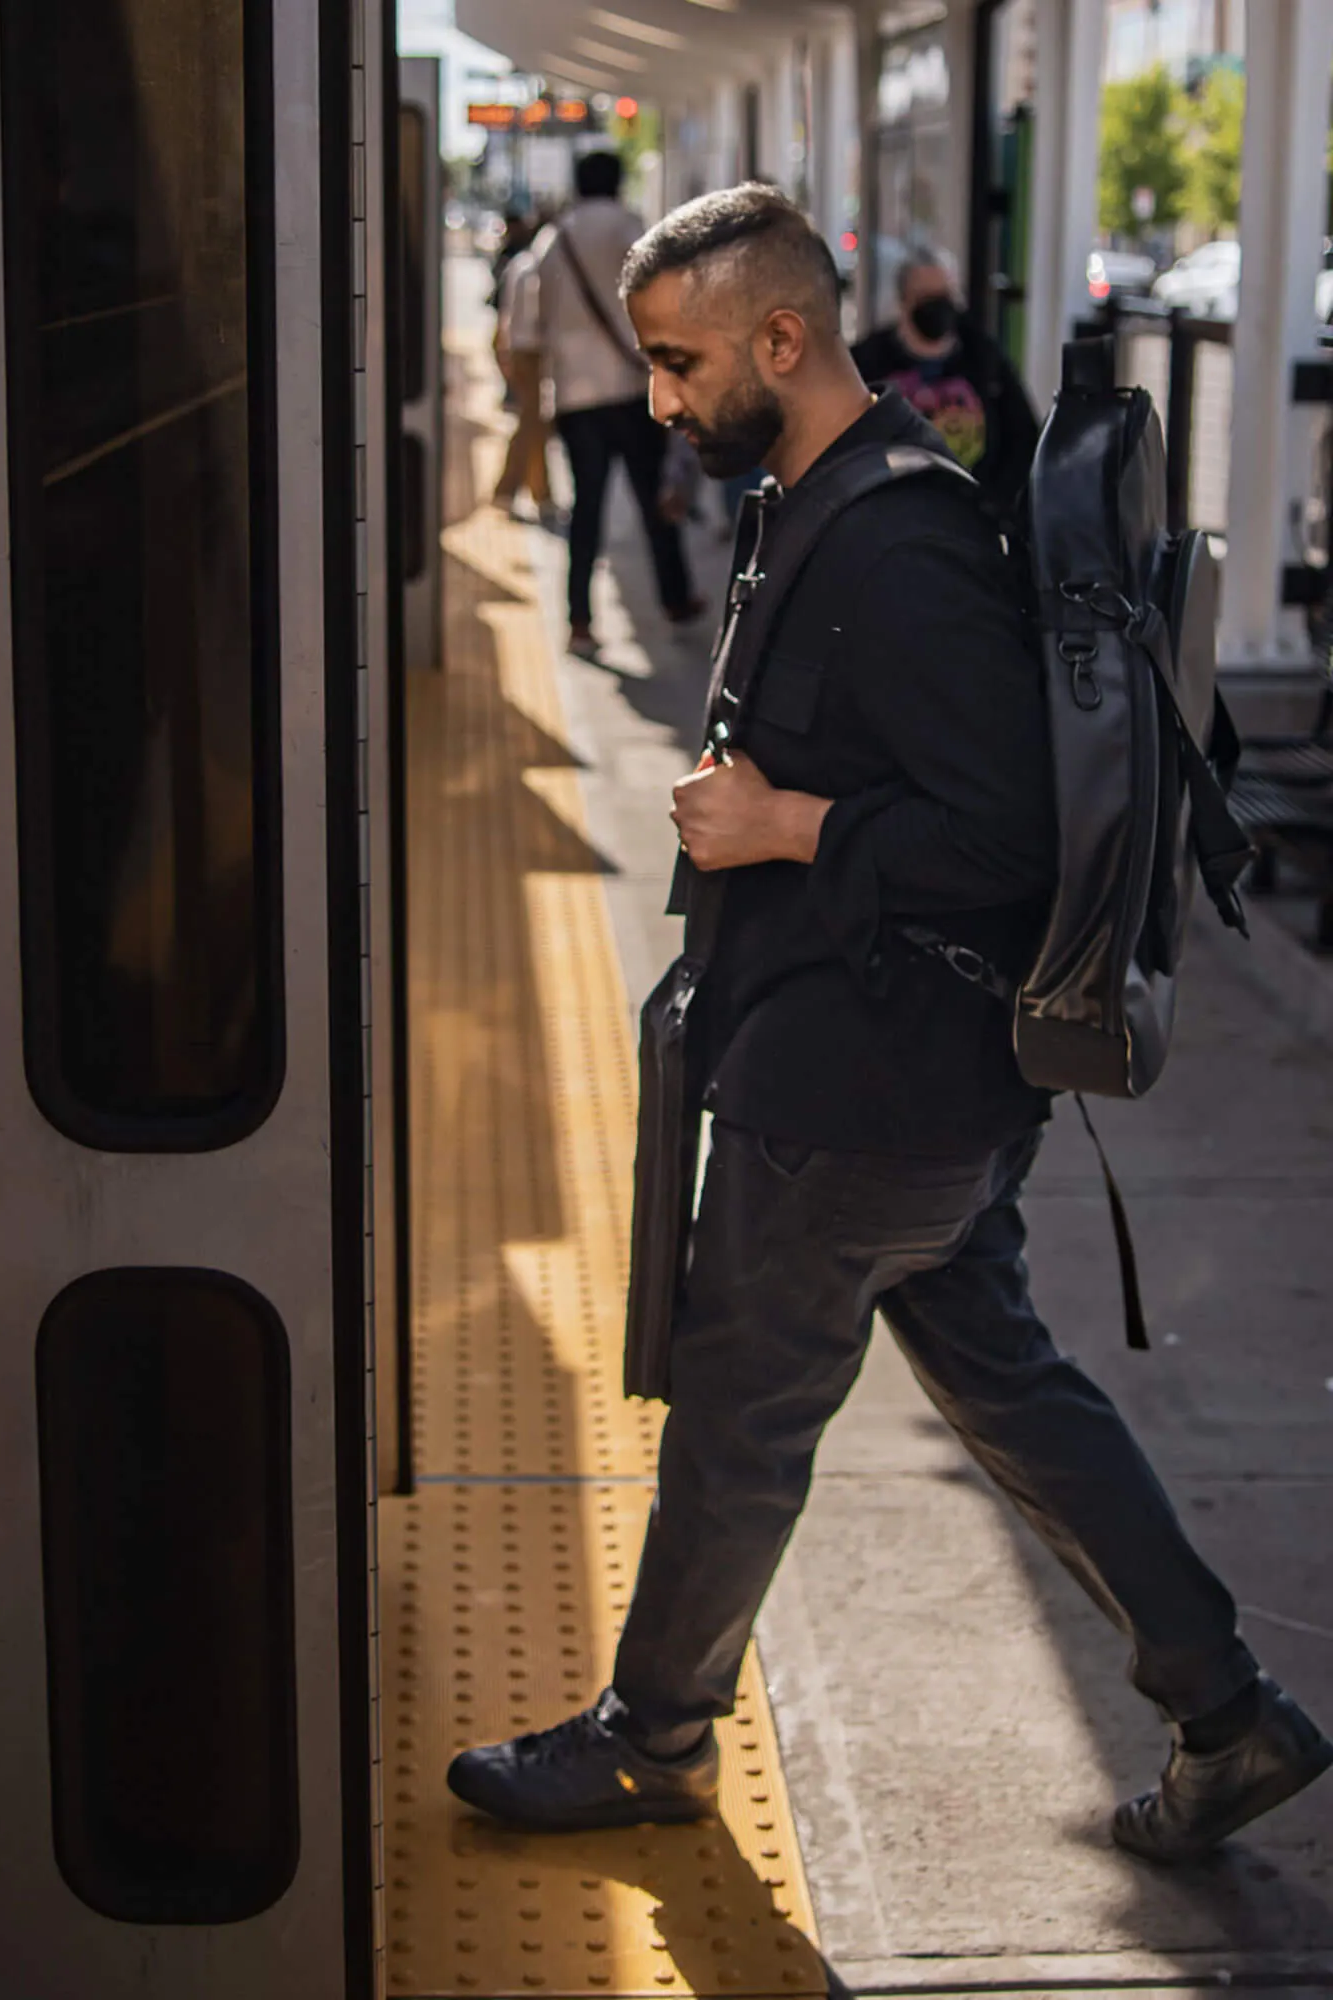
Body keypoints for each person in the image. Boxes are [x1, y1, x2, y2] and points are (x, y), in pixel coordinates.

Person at [448, 184, 1330, 1865]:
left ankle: (655, 1736)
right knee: (1012, 1388)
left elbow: (999, 836)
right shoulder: (823, 499)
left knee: (742, 1409)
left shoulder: (900, 545)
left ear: (783, 338)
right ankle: (1228, 1710)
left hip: (860, 1089)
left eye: (680, 362)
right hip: (921, 1085)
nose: (656, 400)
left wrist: (790, 830)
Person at [515, 151, 704, 654]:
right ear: (619, 182)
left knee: (588, 508)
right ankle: (676, 597)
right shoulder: (634, 229)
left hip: (575, 397)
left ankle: (580, 621)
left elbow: (531, 324)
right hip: (632, 390)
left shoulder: (552, 240)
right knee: (652, 501)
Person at [851, 249, 1040, 521]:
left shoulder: (985, 358)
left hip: (974, 519)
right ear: (904, 302)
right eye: (927, 297)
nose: (938, 307)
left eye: (945, 296)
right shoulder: (869, 362)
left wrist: (996, 505)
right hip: (891, 521)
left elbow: (1023, 439)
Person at [490, 226, 554, 520]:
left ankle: (541, 493)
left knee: (535, 423)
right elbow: (537, 319)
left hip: (519, 348)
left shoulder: (520, 265)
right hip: (531, 352)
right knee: (532, 421)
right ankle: (506, 490)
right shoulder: (537, 271)